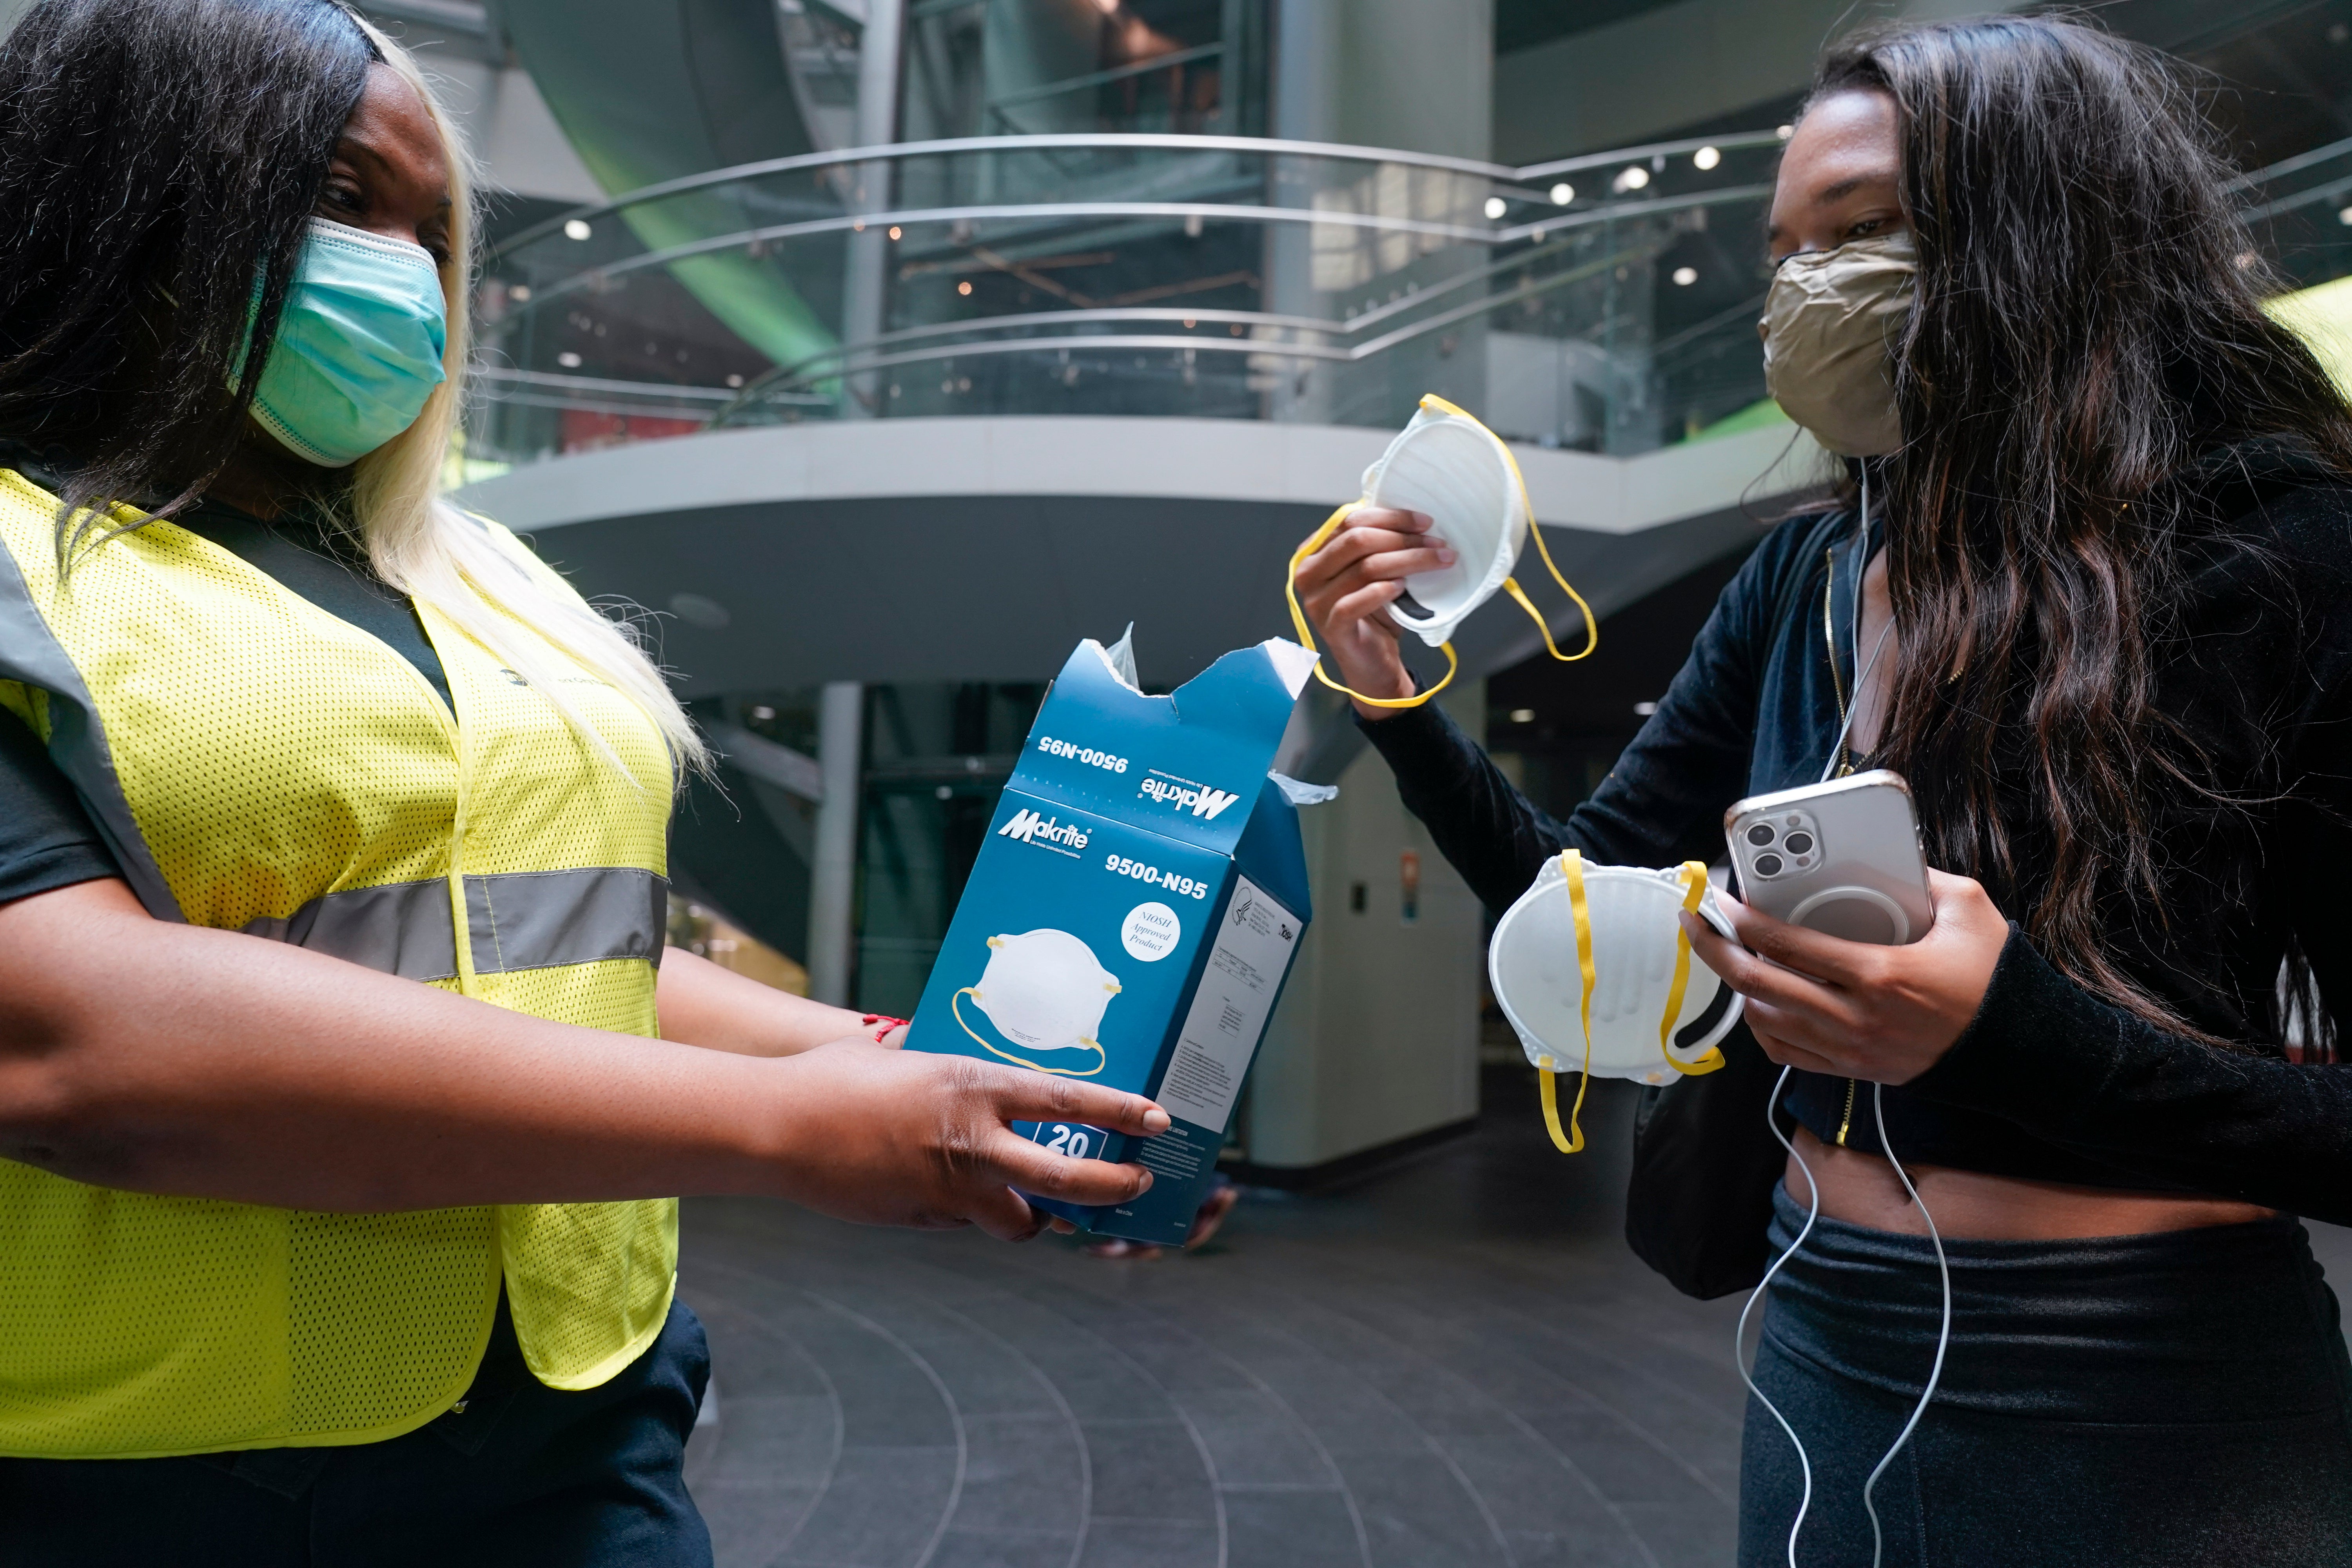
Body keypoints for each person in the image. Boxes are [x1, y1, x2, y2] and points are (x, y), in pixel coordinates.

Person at [0, 4, 1167, 1563]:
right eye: (344, 199)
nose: (407, 277)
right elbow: (72, 1035)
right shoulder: (23, 563)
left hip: (584, 1425)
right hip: (154, 1477)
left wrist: (914, 1059)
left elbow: (571, 947)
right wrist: (781, 1124)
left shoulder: (469, 569)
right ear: (125, 188)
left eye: (433, 233)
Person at [1295, 16, 2352, 1567]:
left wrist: (2013, 1032)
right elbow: (1572, 904)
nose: (1805, 292)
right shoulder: (1805, 573)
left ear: (2045, 229)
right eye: (1787, 252)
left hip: (2146, 1395)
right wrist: (1390, 692)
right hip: (1821, 1351)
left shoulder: (2285, 560)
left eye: (1862, 232)